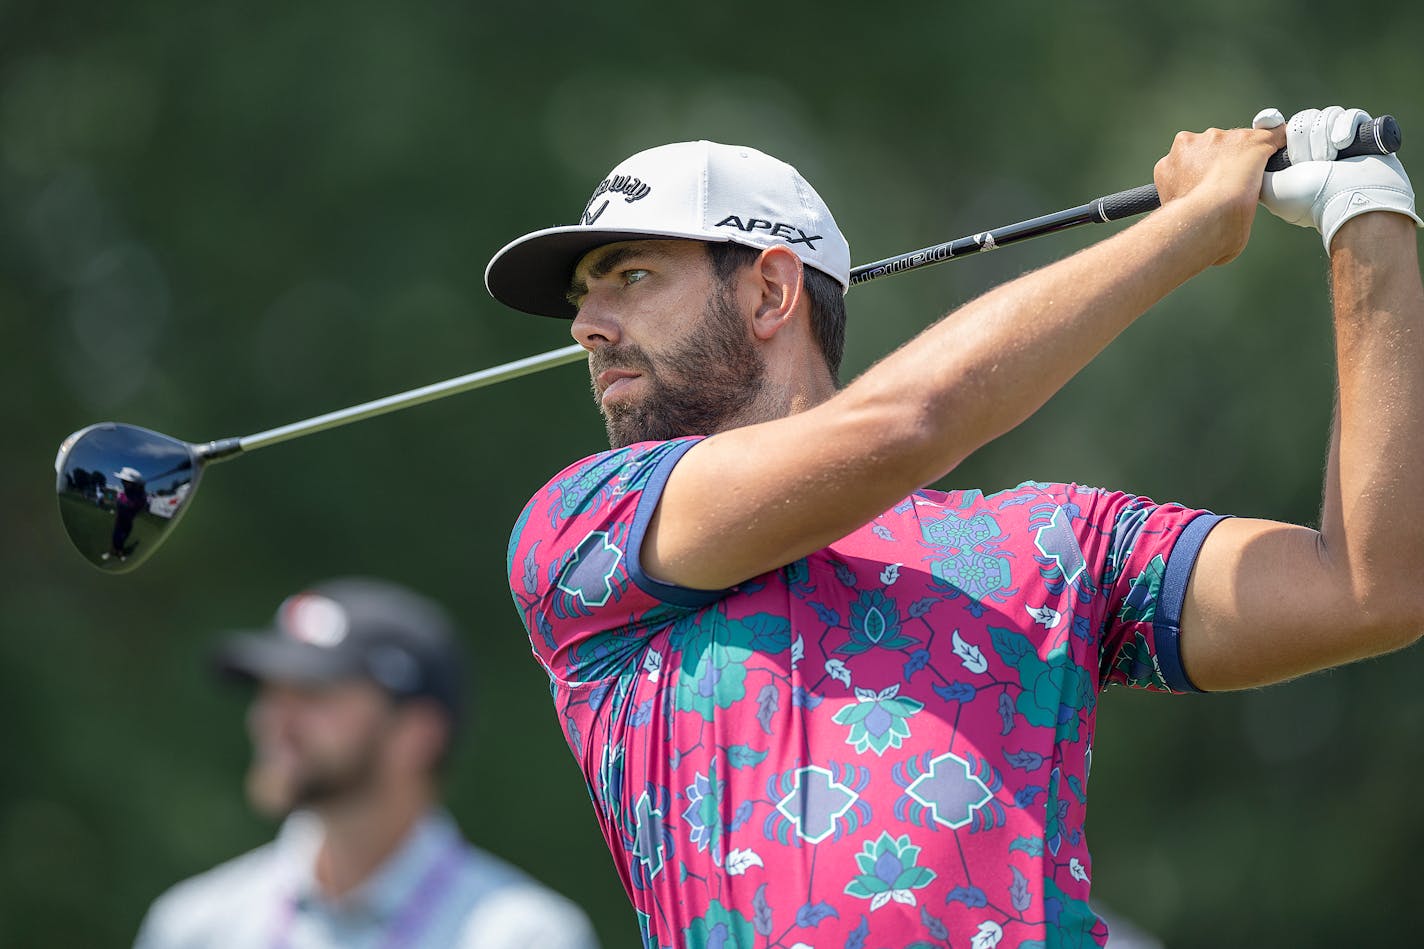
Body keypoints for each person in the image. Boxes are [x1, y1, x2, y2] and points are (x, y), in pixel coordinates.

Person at [485, 106, 1424, 948]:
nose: (589, 327)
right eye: (583, 298)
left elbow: (1368, 589)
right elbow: (905, 426)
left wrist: (1368, 219)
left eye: (631, 277)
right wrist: (1187, 231)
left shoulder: (1057, 541)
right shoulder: (584, 528)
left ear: (772, 293)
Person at [135, 576, 601, 949]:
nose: (271, 721)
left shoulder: (524, 936)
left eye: (314, 694)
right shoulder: (193, 927)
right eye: (271, 694)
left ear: (417, 735)